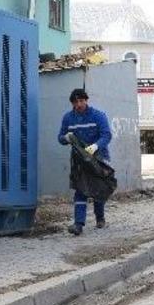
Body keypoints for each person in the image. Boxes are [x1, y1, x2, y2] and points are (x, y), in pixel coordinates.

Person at [57, 88, 113, 236]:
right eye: (76, 102)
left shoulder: (98, 116)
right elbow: (60, 138)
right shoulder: (68, 118)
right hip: (80, 160)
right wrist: (66, 138)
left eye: (82, 101)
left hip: (99, 157)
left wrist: (95, 146)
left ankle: (100, 217)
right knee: (80, 189)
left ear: (86, 100)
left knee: (98, 189)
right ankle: (78, 224)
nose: (79, 104)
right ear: (72, 103)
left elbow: (106, 135)